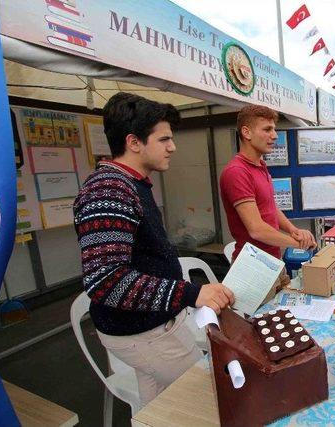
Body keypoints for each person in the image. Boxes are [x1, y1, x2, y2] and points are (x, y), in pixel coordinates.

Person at [73, 92, 235, 405]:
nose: (172, 147)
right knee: (211, 399)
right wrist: (191, 293)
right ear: (134, 142)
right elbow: (106, 281)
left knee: (159, 407)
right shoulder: (109, 189)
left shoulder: (132, 183)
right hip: (144, 332)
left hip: (150, 322)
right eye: (164, 139)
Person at [220, 105, 316, 263]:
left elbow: (270, 206)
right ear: (246, 132)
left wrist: (294, 230)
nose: (275, 135)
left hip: (272, 260)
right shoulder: (237, 171)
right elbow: (257, 230)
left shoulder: (261, 167)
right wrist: (299, 244)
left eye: (274, 129)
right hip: (252, 266)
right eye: (267, 129)